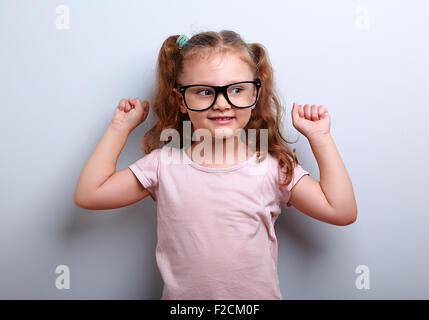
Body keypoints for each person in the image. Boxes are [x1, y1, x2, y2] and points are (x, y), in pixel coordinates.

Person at [74, 30, 357, 300]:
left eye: (236, 89)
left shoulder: (271, 168)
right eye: (204, 92)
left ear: (254, 95)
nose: (221, 103)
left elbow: (340, 210)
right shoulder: (164, 164)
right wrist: (118, 128)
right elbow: (90, 194)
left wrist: (320, 139)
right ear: (181, 100)